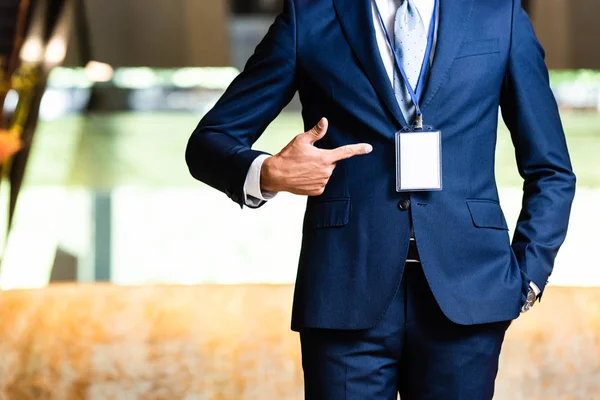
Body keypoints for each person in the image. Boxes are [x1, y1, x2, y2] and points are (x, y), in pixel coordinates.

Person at [185, 0, 576, 398]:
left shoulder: (499, 15)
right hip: (343, 289)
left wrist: (527, 277)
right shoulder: (310, 16)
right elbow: (209, 142)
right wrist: (267, 172)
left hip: (469, 291)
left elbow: (552, 170)